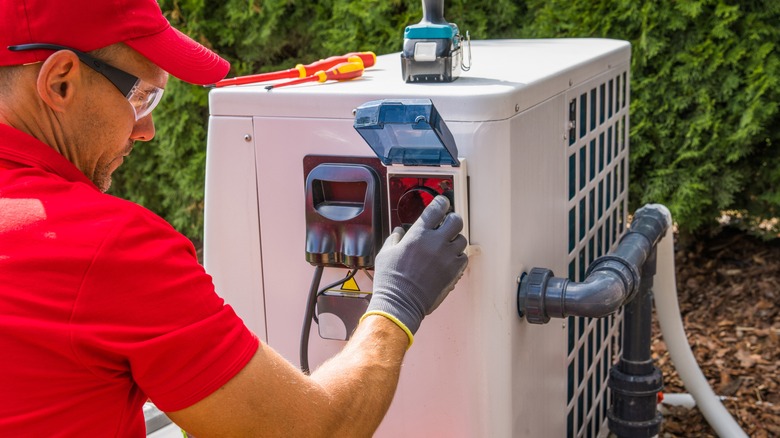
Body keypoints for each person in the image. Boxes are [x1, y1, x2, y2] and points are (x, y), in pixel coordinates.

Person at [0, 0, 468, 436]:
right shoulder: (107, 247)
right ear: (60, 80)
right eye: (141, 96)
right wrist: (395, 304)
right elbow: (316, 428)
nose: (146, 130)